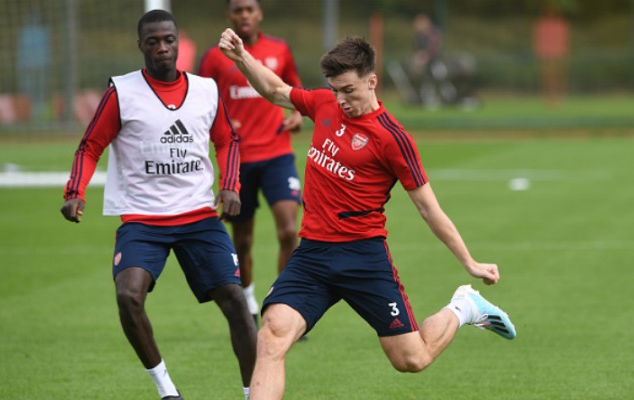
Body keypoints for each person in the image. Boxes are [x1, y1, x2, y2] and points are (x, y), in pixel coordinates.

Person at [219, 29, 517, 399]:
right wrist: (242, 58)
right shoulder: (324, 104)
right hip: (312, 255)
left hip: (363, 257)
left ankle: (464, 306)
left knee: (411, 359)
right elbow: (277, 90)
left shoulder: (392, 138)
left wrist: (469, 262)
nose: (341, 99)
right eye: (335, 89)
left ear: (371, 81)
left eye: (349, 90)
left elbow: (428, 208)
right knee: (272, 334)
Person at [60, 11, 256, 400]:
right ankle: (167, 391)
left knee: (236, 301)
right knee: (128, 295)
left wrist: (230, 185)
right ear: (141, 46)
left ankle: (256, 393)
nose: (162, 48)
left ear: (178, 41)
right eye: (153, 42)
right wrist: (75, 191)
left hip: (199, 216)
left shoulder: (205, 90)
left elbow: (227, 141)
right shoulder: (122, 92)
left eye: (168, 40)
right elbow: (90, 146)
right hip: (143, 219)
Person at [198, 0, 303, 323]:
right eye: (238, 10)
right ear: (229, 16)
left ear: (259, 14)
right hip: (238, 161)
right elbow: (199, 100)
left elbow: (294, 90)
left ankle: (283, 304)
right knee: (242, 240)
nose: (244, 15)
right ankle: (248, 301)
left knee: (289, 231)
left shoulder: (279, 50)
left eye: (250, 9)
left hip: (278, 155)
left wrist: (298, 113)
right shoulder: (215, 58)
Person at [533, 6, 570, 105]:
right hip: (546, 53)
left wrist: (563, 50)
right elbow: (538, 38)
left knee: (559, 75)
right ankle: (546, 97)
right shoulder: (542, 24)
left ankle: (560, 96)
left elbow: (564, 38)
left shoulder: (560, 24)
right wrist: (539, 51)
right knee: (546, 75)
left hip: (558, 53)